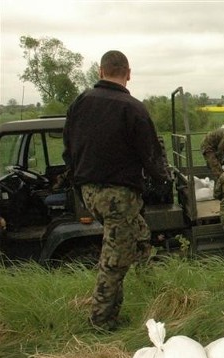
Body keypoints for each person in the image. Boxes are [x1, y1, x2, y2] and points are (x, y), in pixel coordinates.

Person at [62, 50, 171, 332]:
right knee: (115, 259)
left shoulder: (79, 103)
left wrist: (77, 178)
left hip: (88, 191)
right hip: (117, 195)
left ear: (100, 72)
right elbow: (151, 153)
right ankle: (101, 320)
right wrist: (163, 180)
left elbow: (68, 147)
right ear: (128, 73)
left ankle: (155, 289)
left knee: (140, 235)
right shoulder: (132, 107)